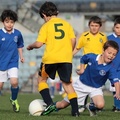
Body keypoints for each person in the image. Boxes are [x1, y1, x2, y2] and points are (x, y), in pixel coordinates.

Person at [27, 1, 79, 117]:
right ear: (57, 13)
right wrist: (67, 52)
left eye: (43, 17)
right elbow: (73, 40)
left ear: (44, 15)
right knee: (68, 85)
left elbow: (39, 44)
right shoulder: (67, 24)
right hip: (66, 59)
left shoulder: (46, 26)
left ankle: (49, 103)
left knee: (41, 81)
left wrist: (31, 46)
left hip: (50, 58)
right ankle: (75, 112)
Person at [48, 40, 120, 116]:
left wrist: (118, 92)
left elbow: (116, 81)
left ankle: (90, 107)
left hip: (96, 88)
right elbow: (83, 59)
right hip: (81, 85)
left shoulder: (111, 67)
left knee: (100, 105)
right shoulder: (92, 57)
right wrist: (82, 69)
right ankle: (50, 107)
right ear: (103, 50)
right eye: (109, 53)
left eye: (114, 54)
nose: (111, 56)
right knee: (63, 105)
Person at [73, 16, 107, 112]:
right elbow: (77, 48)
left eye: (96, 25)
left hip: (98, 65)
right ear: (89, 26)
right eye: (92, 25)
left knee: (96, 85)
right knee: (84, 85)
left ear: (100, 26)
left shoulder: (103, 36)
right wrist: (69, 56)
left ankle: (93, 105)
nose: (94, 27)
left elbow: (106, 50)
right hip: (86, 65)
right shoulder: (84, 36)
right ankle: (82, 105)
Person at [0, 9, 24, 112]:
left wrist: (21, 56)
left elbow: (19, 45)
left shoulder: (17, 34)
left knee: (14, 82)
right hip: (1, 63)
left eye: (11, 22)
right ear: (3, 22)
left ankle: (14, 99)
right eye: (7, 22)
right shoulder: (0, 33)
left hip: (13, 62)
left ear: (14, 22)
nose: (9, 24)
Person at [107, 18, 120, 112]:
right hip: (113, 67)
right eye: (117, 27)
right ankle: (117, 106)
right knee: (115, 87)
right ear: (114, 27)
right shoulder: (108, 38)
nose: (119, 30)